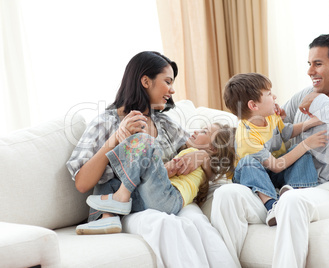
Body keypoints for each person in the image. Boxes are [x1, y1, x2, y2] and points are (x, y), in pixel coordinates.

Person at [210, 32, 329, 268]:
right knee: (225, 195)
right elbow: (271, 129)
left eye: (317, 64)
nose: (310, 71)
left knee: (292, 200)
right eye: (309, 64)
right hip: (280, 190)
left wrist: (318, 101)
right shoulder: (303, 96)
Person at [66, 51, 236, 267]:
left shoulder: (166, 124)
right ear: (146, 81)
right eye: (167, 82)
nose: (172, 90)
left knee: (198, 223)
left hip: (163, 195)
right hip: (130, 206)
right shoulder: (105, 123)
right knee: (165, 225)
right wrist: (115, 139)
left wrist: (201, 156)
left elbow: (216, 160)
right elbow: (82, 183)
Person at [80, 122, 231, 232]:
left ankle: (121, 197)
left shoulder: (192, 154)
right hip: (154, 202)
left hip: (168, 197)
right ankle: (106, 219)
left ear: (213, 148)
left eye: (204, 131)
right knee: (109, 180)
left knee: (145, 141)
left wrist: (154, 163)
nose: (197, 131)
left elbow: (171, 169)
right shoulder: (203, 165)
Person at [223, 72, 327, 225]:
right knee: (248, 162)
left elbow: (285, 132)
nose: (275, 97)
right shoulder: (247, 138)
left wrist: (311, 123)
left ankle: (296, 194)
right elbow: (277, 166)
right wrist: (306, 144)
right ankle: (272, 206)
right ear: (253, 105)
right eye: (269, 94)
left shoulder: (269, 115)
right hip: (254, 175)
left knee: (301, 155)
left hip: (272, 171)